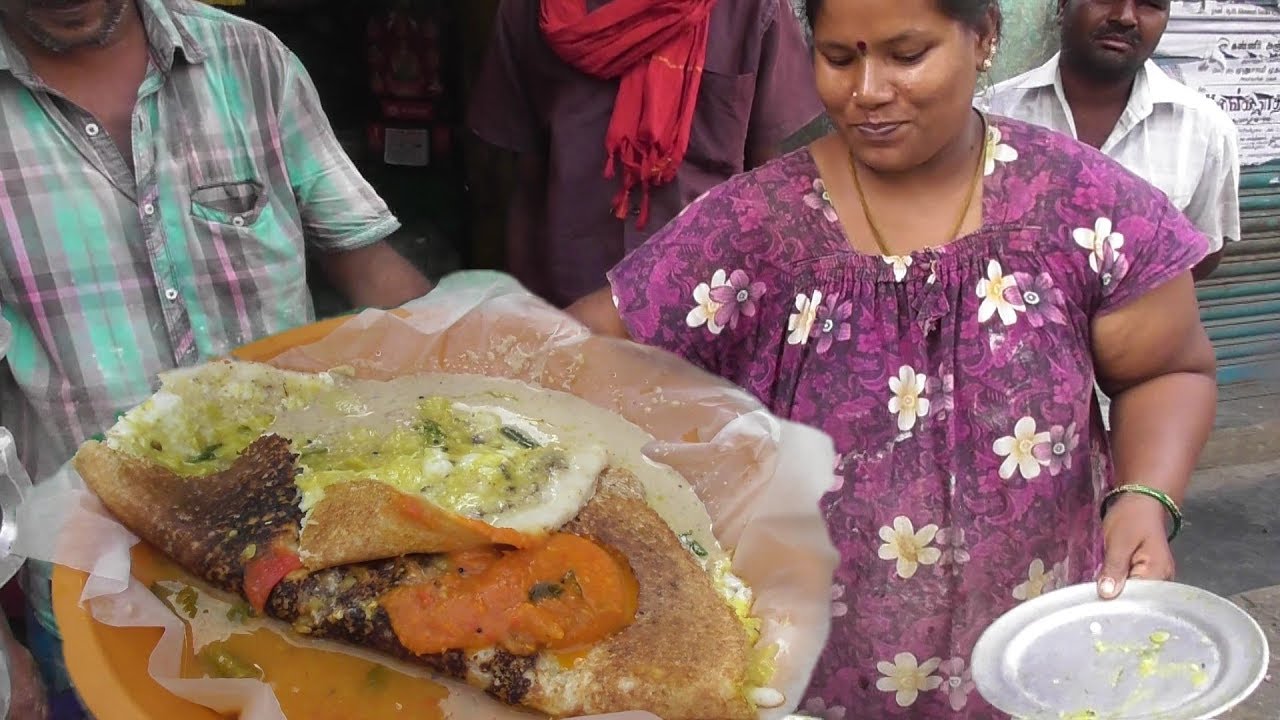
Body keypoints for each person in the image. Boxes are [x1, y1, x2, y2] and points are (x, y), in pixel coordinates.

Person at [569, 0, 1217, 716]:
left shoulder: (1081, 203)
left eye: (907, 56)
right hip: (811, 669)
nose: (868, 91)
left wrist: (1145, 498)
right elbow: (576, 360)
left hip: (1032, 652)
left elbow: (1167, 370)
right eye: (840, 58)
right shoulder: (755, 227)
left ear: (984, 39)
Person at [0, 0, 433, 714]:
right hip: (98, 595)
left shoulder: (251, 62)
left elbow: (371, 269)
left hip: (307, 569)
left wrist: (480, 392)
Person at [468, 0, 824, 306]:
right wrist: (523, 319)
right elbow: (520, 183)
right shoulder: (534, 10)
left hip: (707, 309)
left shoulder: (749, 8)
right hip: (570, 313)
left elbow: (768, 185)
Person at [985, 0, 1239, 280]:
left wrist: (1134, 307)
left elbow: (1203, 253)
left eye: (1150, 4)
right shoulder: (992, 115)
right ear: (1062, 6)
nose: (1126, 17)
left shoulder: (1205, 129)